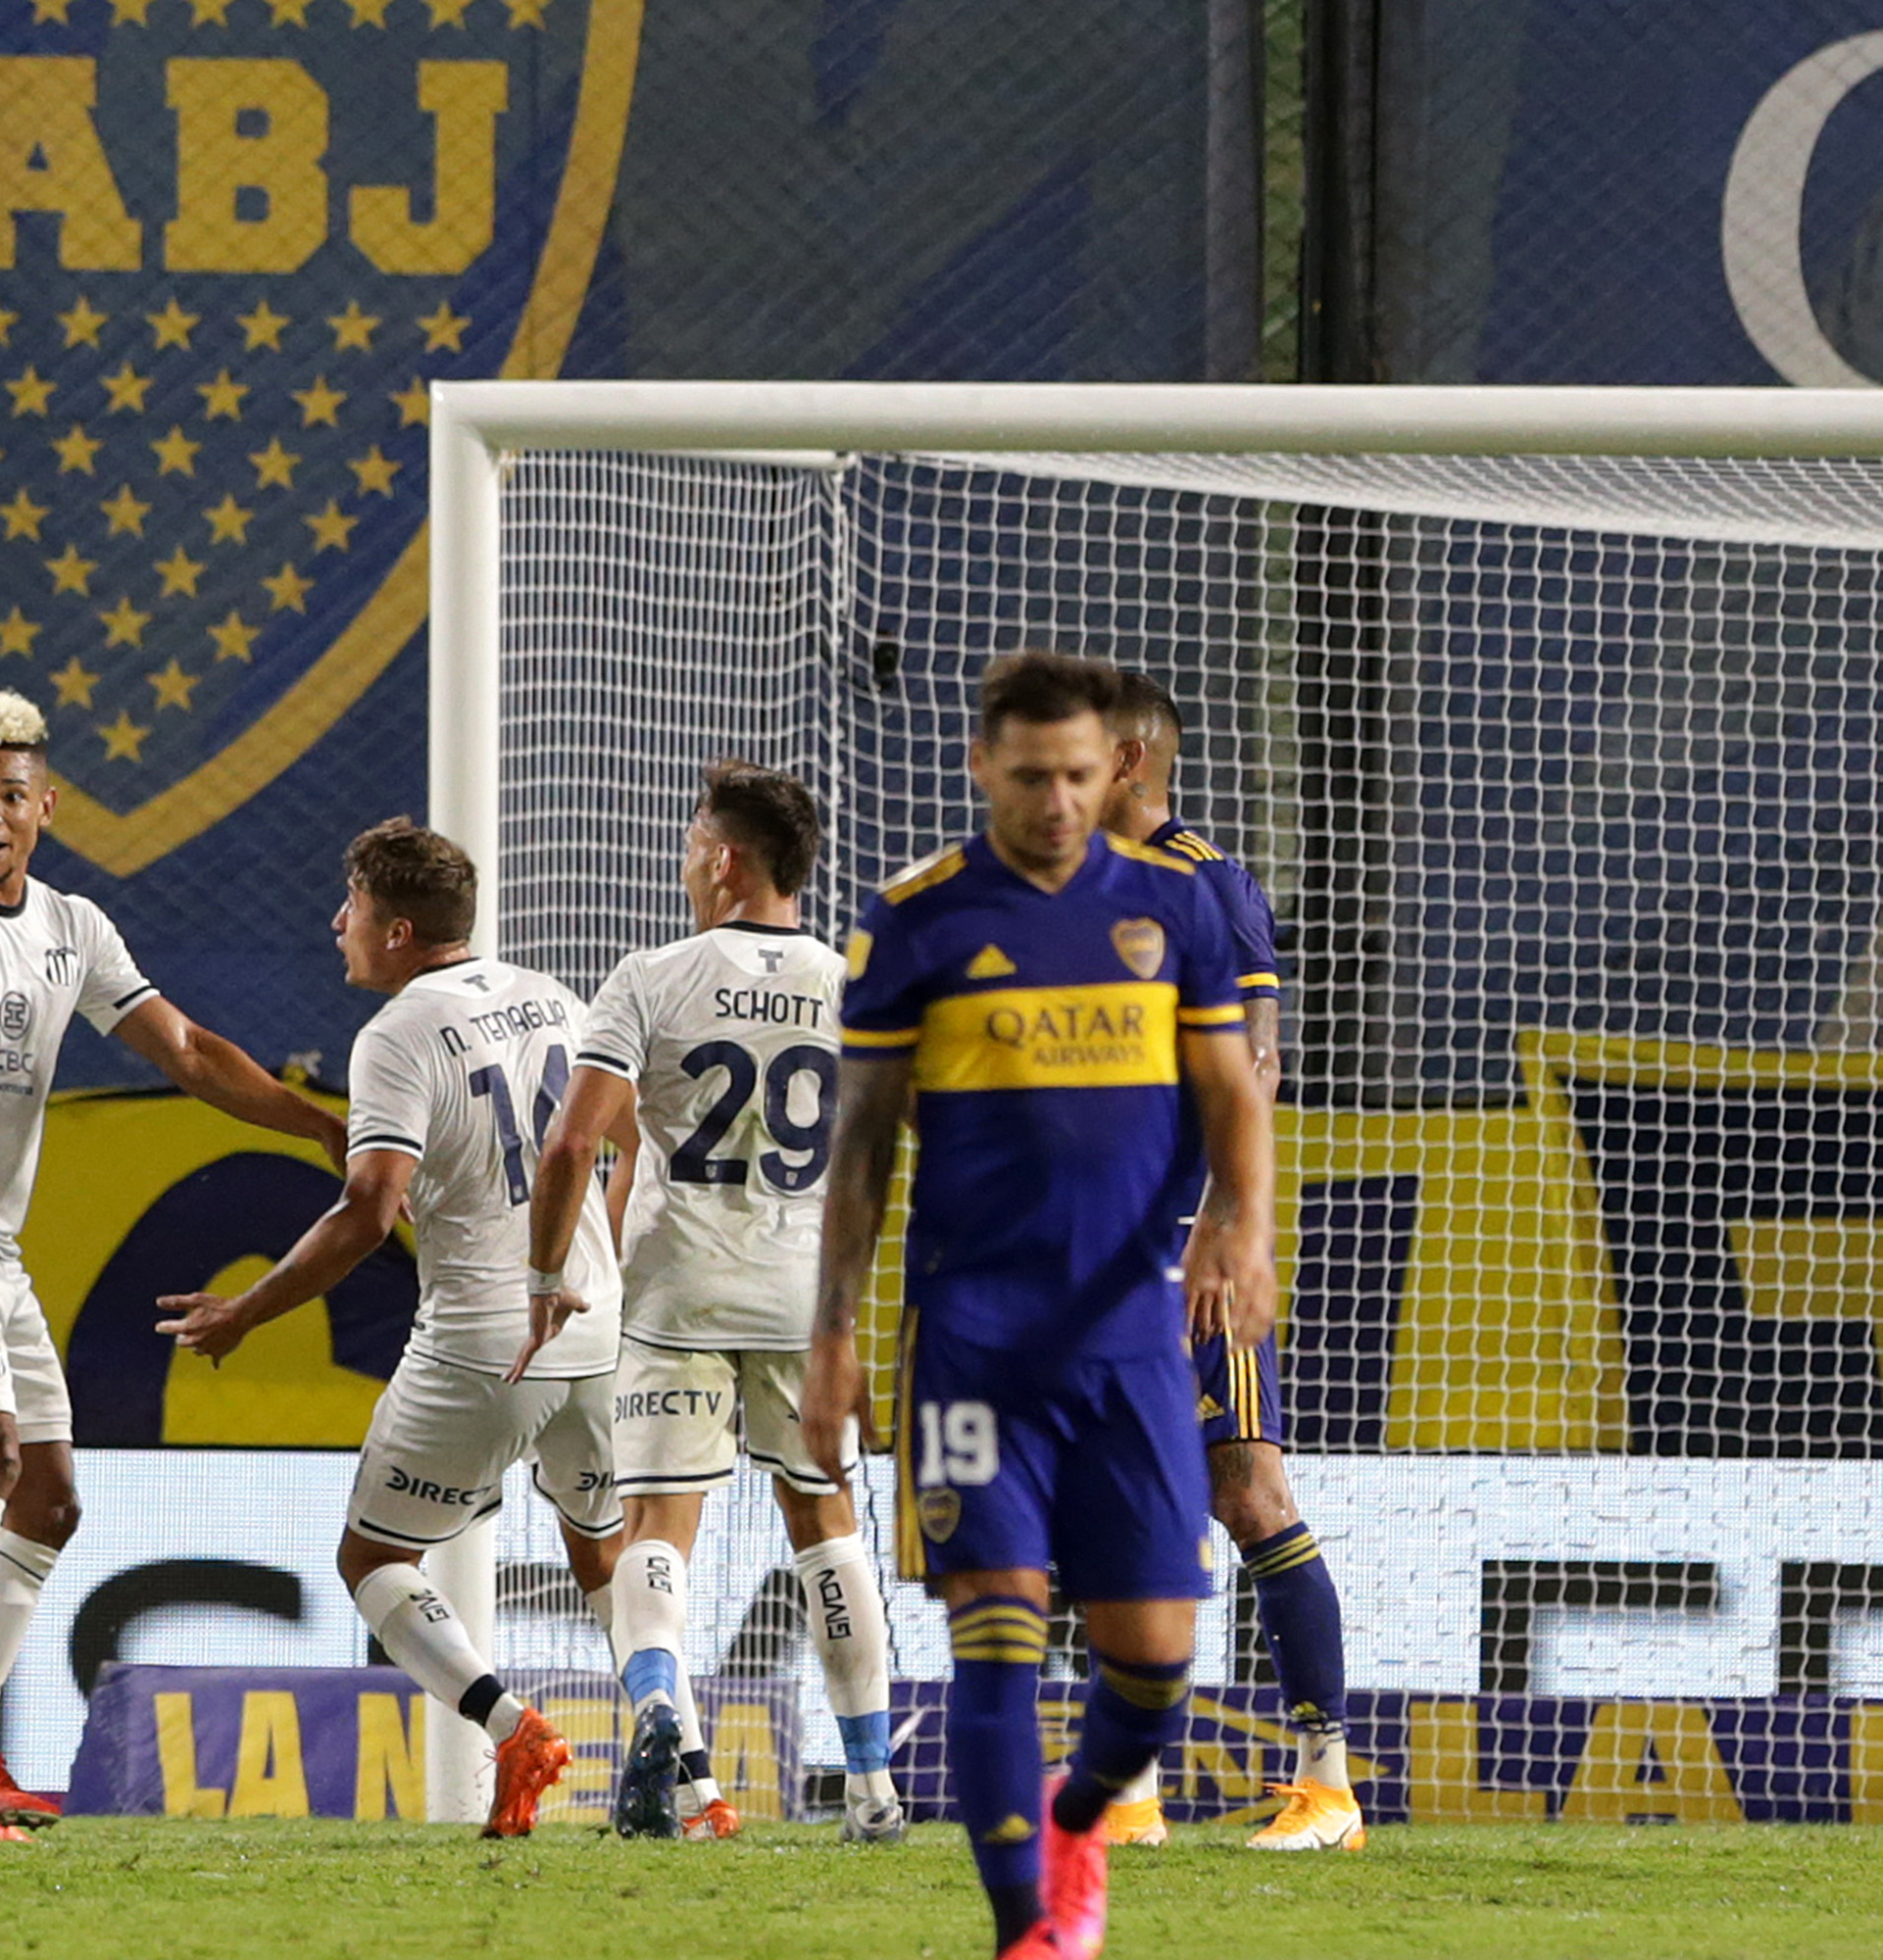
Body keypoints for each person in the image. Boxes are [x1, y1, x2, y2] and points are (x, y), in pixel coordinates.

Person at [801, 650, 1277, 1960]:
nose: (1059, 802)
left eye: (1078, 774)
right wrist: (832, 1335)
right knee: (997, 1633)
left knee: (1154, 1659)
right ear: (981, 768)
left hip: (1128, 1334)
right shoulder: (918, 920)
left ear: (1109, 766)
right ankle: (1027, 1936)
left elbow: (1236, 1089)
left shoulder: (1175, 909)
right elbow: (864, 1143)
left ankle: (1074, 1820)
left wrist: (1245, 1224)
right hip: (974, 1340)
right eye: (1030, 779)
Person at [0, 690, 351, 1841]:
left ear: (45, 808)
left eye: (8, 795)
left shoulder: (74, 927)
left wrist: (312, 1123)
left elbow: (185, 1048)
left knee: (52, 1498)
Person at [156, 818, 620, 1839]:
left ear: (401, 929)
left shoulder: (398, 1035)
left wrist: (246, 1307)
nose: (338, 925)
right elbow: (609, 1150)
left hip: (488, 1339)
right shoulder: (556, 997)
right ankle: (688, 1777)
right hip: (595, 1325)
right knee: (603, 1551)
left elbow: (369, 1211)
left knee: (372, 1559)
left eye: (354, 908)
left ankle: (514, 1727)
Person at [512, 760, 902, 1843]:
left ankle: (681, 1759)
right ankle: (871, 1785)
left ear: (725, 859)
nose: (687, 863)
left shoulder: (654, 975)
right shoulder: (853, 982)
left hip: (676, 1292)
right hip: (800, 1297)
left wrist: (550, 1280)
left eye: (693, 844)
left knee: (657, 1527)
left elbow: (574, 1141)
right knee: (825, 1523)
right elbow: (877, 1153)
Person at [1099, 670, 1359, 1853]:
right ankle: (1133, 1783)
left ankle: (1327, 1785)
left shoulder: (1210, 882)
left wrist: (1221, 1222)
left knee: (1248, 1490)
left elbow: (1254, 1067)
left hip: (1195, 1250)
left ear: (1136, 756)